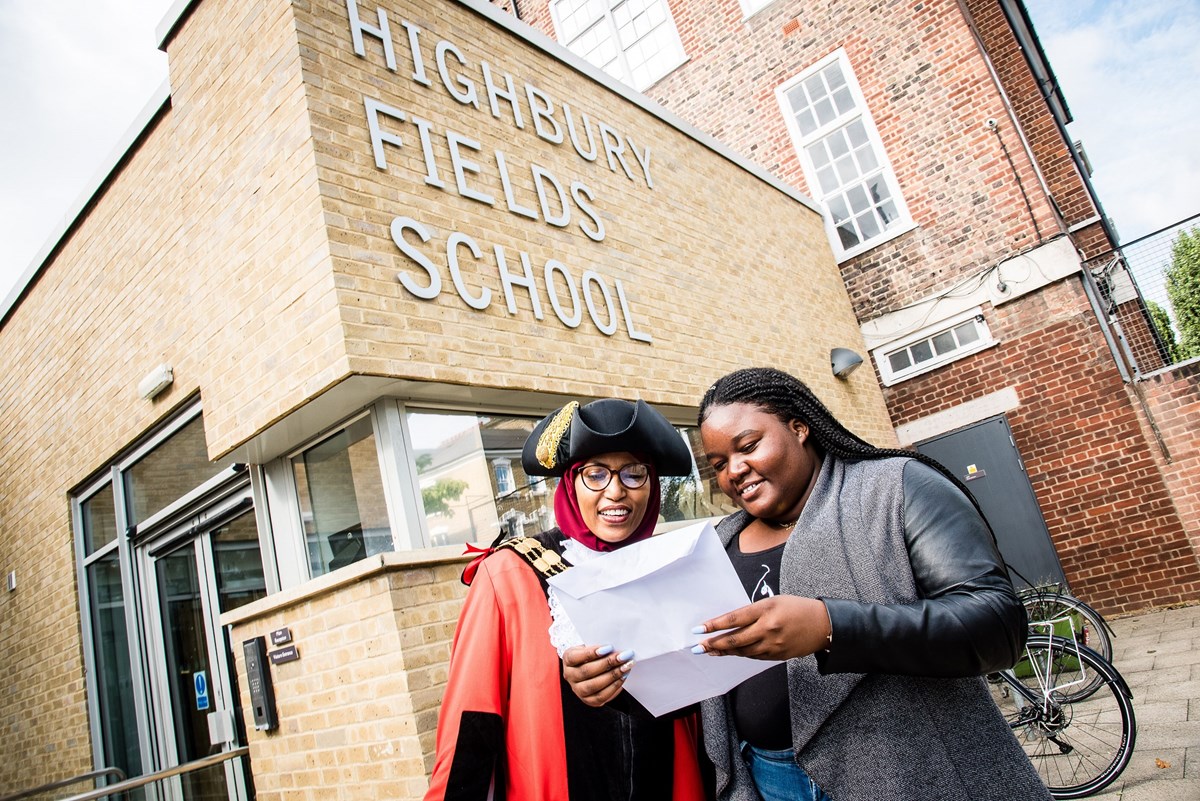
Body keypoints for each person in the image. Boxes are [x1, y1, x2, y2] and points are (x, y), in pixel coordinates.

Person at [564, 367, 1052, 801]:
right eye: (717, 464)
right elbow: (690, 674)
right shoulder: (716, 544)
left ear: (800, 427)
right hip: (767, 778)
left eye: (748, 446)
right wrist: (612, 684)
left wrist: (830, 626)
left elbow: (997, 627)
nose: (733, 471)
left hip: (906, 770)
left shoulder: (897, 487)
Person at [423, 397, 713, 801]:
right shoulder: (508, 574)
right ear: (571, 483)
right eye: (595, 474)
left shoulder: (673, 567)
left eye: (634, 474)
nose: (616, 492)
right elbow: (471, 720)